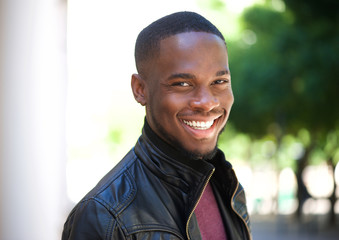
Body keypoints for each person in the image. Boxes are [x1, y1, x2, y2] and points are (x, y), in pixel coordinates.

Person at [62, 11, 252, 240]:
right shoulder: (103, 216)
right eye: (182, 83)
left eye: (219, 82)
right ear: (140, 89)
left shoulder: (228, 186)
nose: (207, 102)